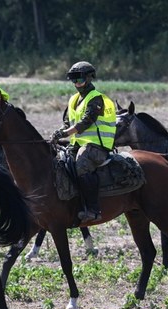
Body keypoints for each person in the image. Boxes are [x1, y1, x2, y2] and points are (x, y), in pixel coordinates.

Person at [51, 61, 117, 223]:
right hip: (78, 145)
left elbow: (86, 122)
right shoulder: (74, 99)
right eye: (73, 80)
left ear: (89, 78)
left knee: (81, 162)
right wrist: (60, 131)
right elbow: (68, 122)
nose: (76, 83)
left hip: (97, 147)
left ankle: (94, 210)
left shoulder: (96, 99)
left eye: (79, 79)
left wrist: (64, 133)